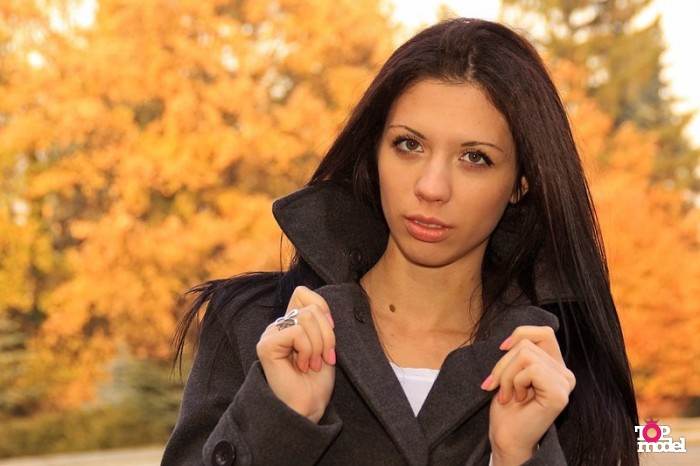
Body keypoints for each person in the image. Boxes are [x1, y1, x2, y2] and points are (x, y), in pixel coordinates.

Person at [161, 18, 639, 466]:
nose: (431, 187)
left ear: (521, 183)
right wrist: (280, 423)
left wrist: (517, 456)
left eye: (475, 157)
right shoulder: (256, 328)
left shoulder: (561, 367)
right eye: (409, 145)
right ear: (375, 152)